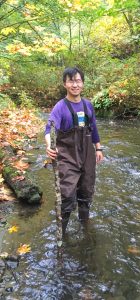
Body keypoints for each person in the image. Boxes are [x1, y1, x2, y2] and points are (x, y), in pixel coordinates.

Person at [45, 67, 103, 235]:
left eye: (78, 81)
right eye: (71, 81)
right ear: (65, 84)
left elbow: (93, 128)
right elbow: (49, 129)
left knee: (86, 191)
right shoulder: (60, 107)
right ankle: (61, 234)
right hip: (67, 157)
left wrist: (98, 148)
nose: (75, 85)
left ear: (83, 83)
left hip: (87, 155)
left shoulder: (88, 105)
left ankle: (85, 227)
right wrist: (49, 146)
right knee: (67, 195)